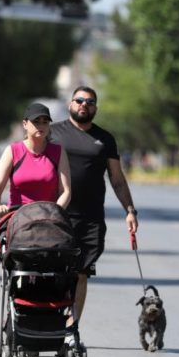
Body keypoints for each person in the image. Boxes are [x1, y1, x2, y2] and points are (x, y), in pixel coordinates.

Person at [49, 86, 139, 331]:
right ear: (70, 104)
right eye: (79, 100)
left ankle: (71, 326)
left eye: (89, 102)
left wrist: (130, 210)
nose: (83, 105)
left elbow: (117, 179)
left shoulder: (105, 139)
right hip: (56, 214)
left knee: (81, 272)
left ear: (95, 108)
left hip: (91, 218)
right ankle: (46, 320)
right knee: (52, 269)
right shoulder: (53, 132)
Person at [0, 102, 71, 216]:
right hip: (17, 218)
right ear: (25, 124)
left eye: (45, 122)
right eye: (36, 122)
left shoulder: (58, 152)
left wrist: (55, 212)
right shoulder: (13, 151)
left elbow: (65, 191)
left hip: (48, 218)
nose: (41, 126)